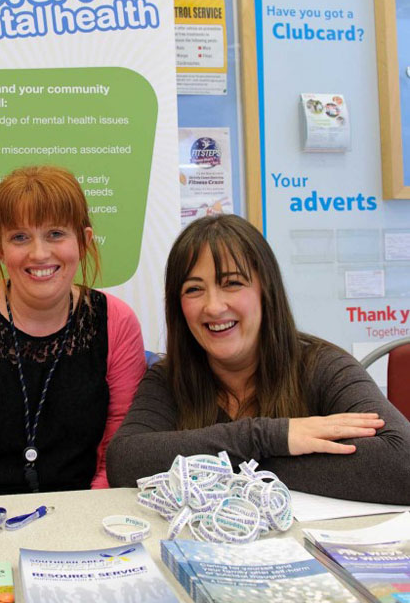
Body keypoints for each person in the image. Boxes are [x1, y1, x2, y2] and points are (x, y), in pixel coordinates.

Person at [107, 214, 410, 503]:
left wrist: (227, 467)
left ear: (266, 290)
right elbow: (126, 462)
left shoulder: (325, 367)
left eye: (232, 283)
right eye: (194, 289)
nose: (213, 307)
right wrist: (269, 437)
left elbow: (403, 464)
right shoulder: (168, 378)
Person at [0, 165, 146, 495]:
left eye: (55, 234)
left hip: (89, 520)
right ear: (0, 249)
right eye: (20, 237)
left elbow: (118, 459)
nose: (39, 253)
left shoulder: (117, 323)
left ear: (83, 241)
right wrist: (1, 527)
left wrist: (81, 526)